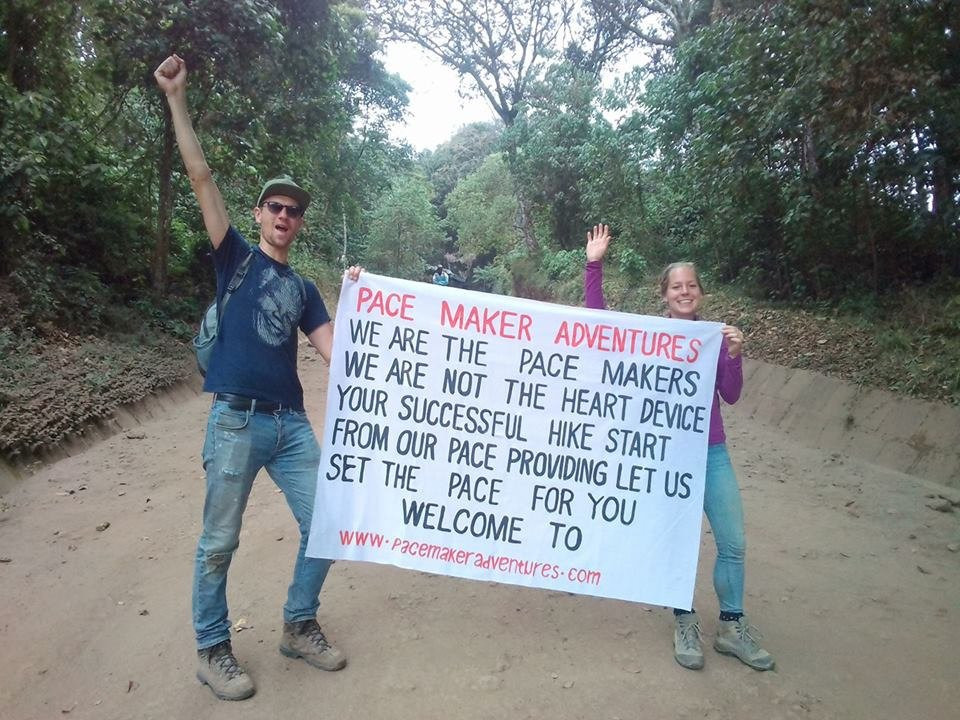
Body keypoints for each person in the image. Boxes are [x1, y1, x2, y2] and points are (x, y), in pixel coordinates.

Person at [155, 53, 362, 701]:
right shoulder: (235, 257)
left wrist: (363, 302)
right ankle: (212, 647)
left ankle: (298, 624)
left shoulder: (304, 288)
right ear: (260, 213)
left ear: (300, 223)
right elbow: (199, 175)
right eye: (274, 206)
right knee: (219, 541)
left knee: (329, 522)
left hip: (291, 427)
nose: (282, 216)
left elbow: (342, 355)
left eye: (293, 210)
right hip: (237, 420)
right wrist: (177, 100)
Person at [584, 224, 775, 672]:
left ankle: (732, 627)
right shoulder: (651, 337)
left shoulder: (716, 337)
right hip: (666, 457)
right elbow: (600, 323)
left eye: (691, 286)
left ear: (701, 293)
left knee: (734, 542)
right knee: (679, 543)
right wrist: (594, 265)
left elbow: (730, 395)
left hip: (711, 453)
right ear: (664, 294)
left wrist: (733, 355)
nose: (684, 292)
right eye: (676, 286)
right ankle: (684, 620)